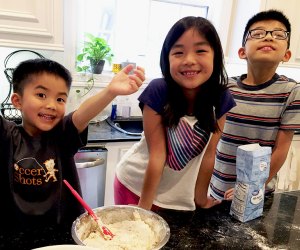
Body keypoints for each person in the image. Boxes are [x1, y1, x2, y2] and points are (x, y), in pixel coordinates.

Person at [0, 58, 144, 231]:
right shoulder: (6, 135)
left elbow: (82, 114)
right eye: (41, 95)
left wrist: (110, 92)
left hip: (63, 230)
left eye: (60, 99)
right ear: (17, 101)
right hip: (16, 232)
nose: (52, 105)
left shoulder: (62, 135)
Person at [114, 16, 236, 211]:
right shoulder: (158, 90)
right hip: (136, 187)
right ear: (167, 58)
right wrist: (143, 211)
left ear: (215, 56)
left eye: (201, 51)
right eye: (178, 52)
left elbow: (208, 155)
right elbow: (157, 155)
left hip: (178, 198)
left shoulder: (221, 98)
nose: (189, 60)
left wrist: (201, 199)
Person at [208, 10, 300, 201]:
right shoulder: (225, 87)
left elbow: (281, 149)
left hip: (258, 194)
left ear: (287, 54)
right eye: (258, 33)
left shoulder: (292, 91)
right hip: (218, 189)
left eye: (278, 34)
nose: (268, 37)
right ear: (242, 52)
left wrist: (252, 186)